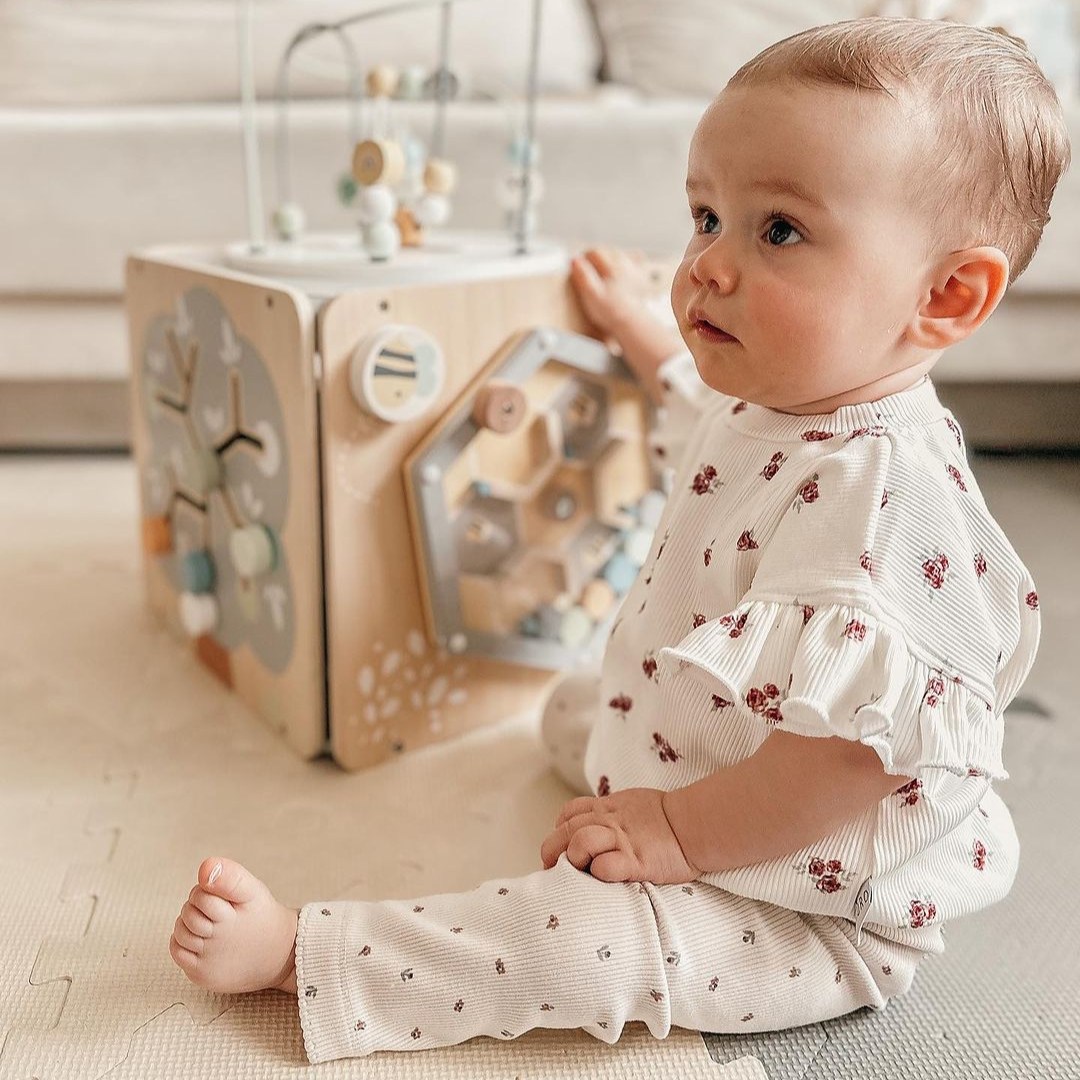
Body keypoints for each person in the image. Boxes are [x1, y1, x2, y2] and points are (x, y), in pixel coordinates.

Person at [168, 17, 1069, 1062]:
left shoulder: (887, 492)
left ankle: (312, 956)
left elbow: (845, 768)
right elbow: (702, 416)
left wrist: (674, 835)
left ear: (946, 296)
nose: (707, 268)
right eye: (705, 216)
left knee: (573, 940)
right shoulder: (783, 395)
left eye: (776, 230)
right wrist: (643, 332)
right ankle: (632, 775)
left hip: (804, 900)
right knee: (573, 711)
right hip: (710, 761)